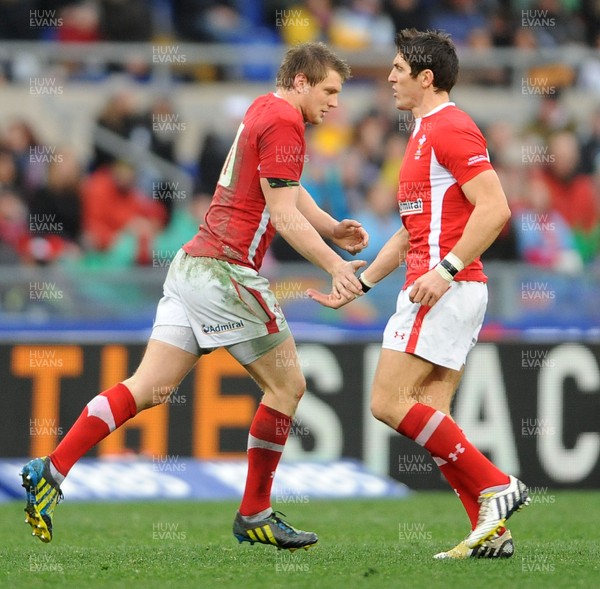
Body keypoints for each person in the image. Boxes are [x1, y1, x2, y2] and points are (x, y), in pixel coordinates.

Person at [20, 42, 368, 549]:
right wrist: (336, 266)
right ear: (301, 82)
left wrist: (332, 228)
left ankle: (52, 469)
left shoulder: (263, 109)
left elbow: (286, 193)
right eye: (330, 90)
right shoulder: (286, 121)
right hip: (225, 272)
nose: (335, 103)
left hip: (191, 266)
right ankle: (255, 513)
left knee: (149, 387)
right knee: (288, 387)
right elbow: (284, 214)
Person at [309, 29, 530, 559]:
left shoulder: (451, 127)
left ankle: (498, 484)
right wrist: (360, 283)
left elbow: (495, 209)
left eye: (399, 70)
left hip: (443, 289)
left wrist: (446, 270)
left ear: (426, 78)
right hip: (449, 287)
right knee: (432, 412)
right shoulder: (422, 132)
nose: (389, 77)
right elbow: (413, 228)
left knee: (387, 402)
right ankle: (492, 534)